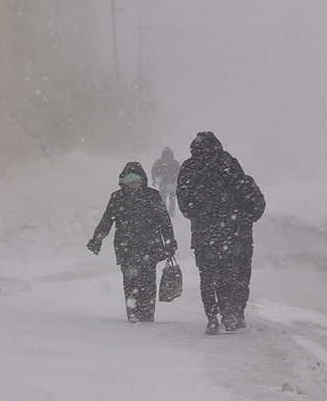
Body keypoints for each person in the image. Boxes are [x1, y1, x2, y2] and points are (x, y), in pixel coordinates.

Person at [176, 132, 265, 335]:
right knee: (233, 275)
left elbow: (185, 203)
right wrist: (243, 218)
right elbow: (250, 195)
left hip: (206, 233)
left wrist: (202, 215)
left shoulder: (190, 168)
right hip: (233, 233)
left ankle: (212, 316)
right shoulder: (228, 163)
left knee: (208, 276)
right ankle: (231, 313)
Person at [88, 161, 177, 323]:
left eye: (135, 180)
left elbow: (164, 222)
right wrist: (97, 239)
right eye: (129, 180)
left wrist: (170, 242)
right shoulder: (117, 198)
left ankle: (147, 314)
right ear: (123, 181)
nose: (133, 184)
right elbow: (106, 221)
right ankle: (133, 313)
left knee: (148, 283)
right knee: (130, 283)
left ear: (142, 180)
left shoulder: (152, 196)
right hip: (127, 248)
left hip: (149, 248)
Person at [150, 146, 181, 215]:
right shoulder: (175, 163)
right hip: (172, 182)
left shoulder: (159, 162)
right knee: (172, 197)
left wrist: (154, 178)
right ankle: (171, 211)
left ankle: (163, 210)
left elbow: (154, 170)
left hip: (163, 181)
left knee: (163, 197)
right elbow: (179, 172)